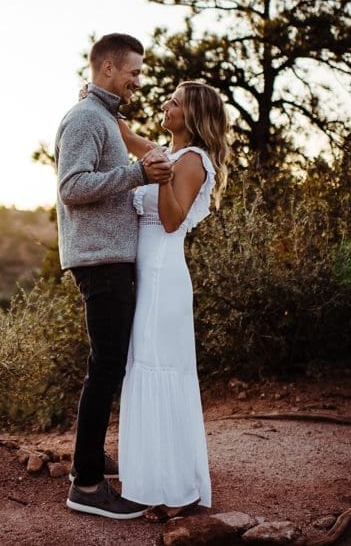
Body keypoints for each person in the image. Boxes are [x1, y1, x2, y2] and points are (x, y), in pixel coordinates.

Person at [54, 33, 172, 520]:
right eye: (134, 72)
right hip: (100, 259)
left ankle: (89, 459)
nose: (138, 80)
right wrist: (136, 176)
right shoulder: (85, 118)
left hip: (110, 258)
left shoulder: (101, 115)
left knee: (107, 365)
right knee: (106, 366)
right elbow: (71, 187)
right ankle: (85, 485)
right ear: (107, 69)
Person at [115, 80, 231, 513]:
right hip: (147, 273)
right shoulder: (170, 153)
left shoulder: (194, 160)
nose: (167, 103)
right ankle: (151, 480)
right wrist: (105, 110)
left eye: (176, 102)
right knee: (144, 365)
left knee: (157, 368)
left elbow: (170, 220)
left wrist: (160, 174)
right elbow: (136, 141)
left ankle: (174, 490)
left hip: (163, 274)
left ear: (193, 115)